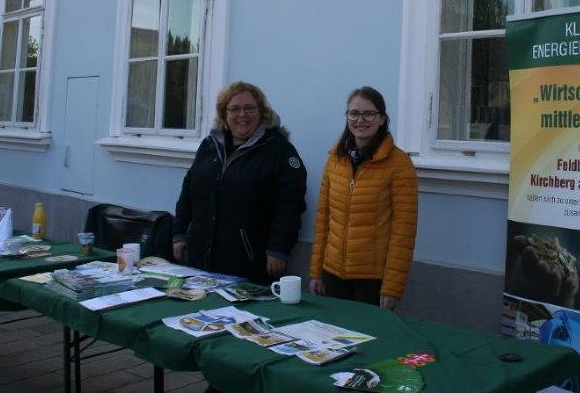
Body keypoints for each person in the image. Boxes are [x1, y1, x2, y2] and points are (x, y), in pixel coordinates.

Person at [172, 82, 307, 285]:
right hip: (200, 256)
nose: (242, 115)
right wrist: (180, 233)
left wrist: (279, 249)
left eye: (249, 108)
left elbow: (290, 205)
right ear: (224, 114)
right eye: (234, 109)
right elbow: (188, 191)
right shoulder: (209, 146)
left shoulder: (280, 151)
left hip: (250, 262)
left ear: (261, 112)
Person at [308, 86, 418, 309]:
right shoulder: (334, 160)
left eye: (369, 114)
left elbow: (403, 231)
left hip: (373, 280)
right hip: (332, 274)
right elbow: (323, 220)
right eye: (354, 113)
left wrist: (392, 286)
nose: (361, 120)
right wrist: (316, 271)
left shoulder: (399, 164)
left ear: (382, 119)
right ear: (347, 116)